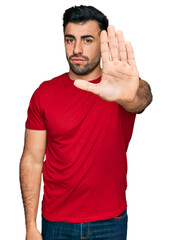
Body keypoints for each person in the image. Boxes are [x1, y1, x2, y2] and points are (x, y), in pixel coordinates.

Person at [19, 5, 152, 240]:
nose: (77, 49)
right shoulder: (44, 93)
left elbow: (141, 100)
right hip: (56, 220)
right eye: (70, 39)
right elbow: (31, 159)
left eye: (87, 40)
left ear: (102, 43)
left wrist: (128, 92)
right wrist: (30, 226)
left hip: (110, 221)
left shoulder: (120, 89)